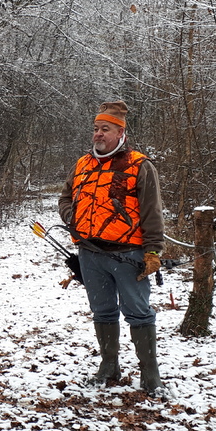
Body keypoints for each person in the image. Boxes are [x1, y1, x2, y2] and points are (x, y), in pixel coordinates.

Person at [57, 101, 167, 397]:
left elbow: (152, 212)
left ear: (120, 133)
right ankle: (109, 367)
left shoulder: (139, 166)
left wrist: (153, 252)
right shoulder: (82, 164)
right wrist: (71, 216)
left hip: (127, 254)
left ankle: (150, 374)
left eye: (105, 129)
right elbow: (65, 198)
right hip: (89, 253)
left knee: (139, 312)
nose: (98, 134)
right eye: (96, 128)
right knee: (102, 311)